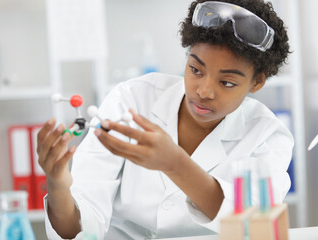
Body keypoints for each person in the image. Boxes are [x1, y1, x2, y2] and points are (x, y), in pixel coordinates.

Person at [37, 0, 293, 239]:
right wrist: (58, 185)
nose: (204, 91)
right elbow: (81, 228)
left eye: (227, 82)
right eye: (195, 69)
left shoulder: (267, 136)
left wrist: (175, 164)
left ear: (257, 82)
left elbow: (252, 226)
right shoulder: (132, 99)